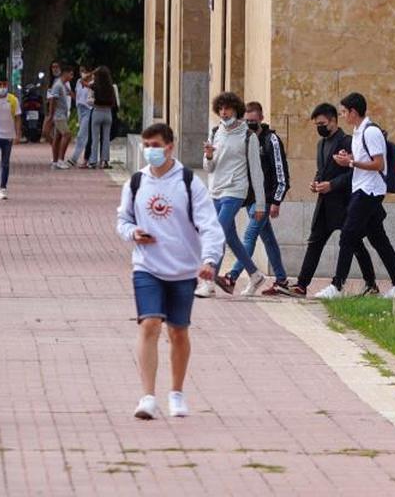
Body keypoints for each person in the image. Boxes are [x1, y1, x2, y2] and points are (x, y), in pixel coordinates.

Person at [116, 122, 222, 420]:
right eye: (146, 145)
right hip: (147, 266)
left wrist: (210, 260)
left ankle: (176, 392)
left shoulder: (189, 182)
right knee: (149, 324)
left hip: (183, 270)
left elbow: (210, 225)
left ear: (170, 146)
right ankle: (147, 397)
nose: (151, 151)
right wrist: (132, 232)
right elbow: (122, 220)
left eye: (156, 145)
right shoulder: (135, 183)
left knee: (177, 332)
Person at [316, 92, 395, 299]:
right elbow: (363, 160)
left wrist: (350, 163)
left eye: (344, 112)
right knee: (378, 239)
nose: (343, 116)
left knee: (347, 235)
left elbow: (379, 164)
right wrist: (349, 158)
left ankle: (337, 286)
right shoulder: (359, 132)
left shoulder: (370, 132)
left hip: (370, 191)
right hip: (362, 189)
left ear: (353, 112)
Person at [292, 103, 377, 297]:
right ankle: (301, 284)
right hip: (324, 204)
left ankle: (370, 283)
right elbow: (321, 170)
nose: (319, 128)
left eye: (322, 123)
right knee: (315, 242)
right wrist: (316, 183)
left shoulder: (347, 142)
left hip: (345, 203)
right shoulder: (321, 144)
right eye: (316, 125)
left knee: (354, 243)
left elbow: (354, 172)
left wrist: (333, 184)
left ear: (333, 121)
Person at [200, 91, 270, 298]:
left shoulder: (248, 136)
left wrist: (260, 204)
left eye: (227, 108)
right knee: (230, 237)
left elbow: (257, 172)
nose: (223, 113)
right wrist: (209, 155)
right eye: (220, 109)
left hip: (236, 189)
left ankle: (209, 282)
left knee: (217, 233)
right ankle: (255, 275)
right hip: (216, 189)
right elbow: (208, 167)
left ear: (236, 110)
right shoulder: (215, 132)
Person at [224, 101, 293, 295]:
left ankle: (233, 276)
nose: (250, 124)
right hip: (250, 199)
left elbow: (282, 175)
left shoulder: (271, 140)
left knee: (249, 236)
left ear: (262, 119)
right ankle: (281, 280)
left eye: (254, 121)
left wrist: (276, 201)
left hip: (266, 199)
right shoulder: (244, 139)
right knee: (268, 239)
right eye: (247, 121)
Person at [44, 63, 74, 169]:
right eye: (70, 74)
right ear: (65, 73)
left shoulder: (62, 84)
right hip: (59, 115)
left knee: (58, 137)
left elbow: (71, 95)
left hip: (62, 115)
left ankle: (55, 161)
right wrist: (51, 116)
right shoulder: (58, 85)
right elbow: (53, 100)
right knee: (67, 134)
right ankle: (61, 160)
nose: (71, 77)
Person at [88, 66, 117, 169]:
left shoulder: (93, 86)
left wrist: (96, 102)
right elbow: (116, 102)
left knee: (95, 138)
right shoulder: (112, 87)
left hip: (97, 111)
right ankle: (104, 161)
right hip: (108, 113)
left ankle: (93, 161)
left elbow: (89, 101)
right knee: (106, 138)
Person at [68, 66, 94, 167]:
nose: (83, 73)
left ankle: (74, 158)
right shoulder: (79, 81)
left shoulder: (93, 83)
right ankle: (90, 158)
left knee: (81, 135)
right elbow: (78, 96)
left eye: (85, 71)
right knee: (85, 135)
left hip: (89, 109)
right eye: (81, 71)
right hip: (80, 108)